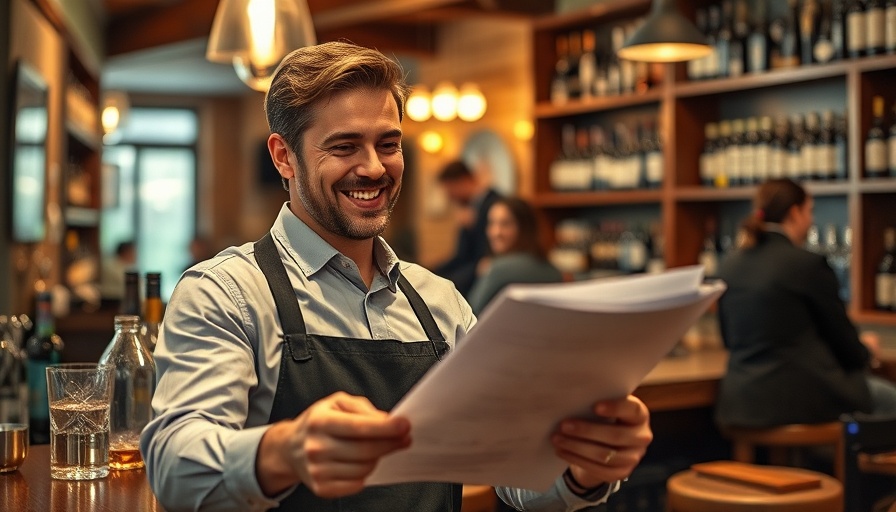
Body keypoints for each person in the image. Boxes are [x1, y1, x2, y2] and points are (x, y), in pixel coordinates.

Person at [141, 41, 652, 512]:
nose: (373, 168)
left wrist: (582, 469)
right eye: (343, 147)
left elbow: (513, 474)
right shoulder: (225, 294)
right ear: (284, 156)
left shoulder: (442, 304)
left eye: (388, 143)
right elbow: (173, 466)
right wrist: (284, 451)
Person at [715, 178, 896, 430]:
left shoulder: (729, 265)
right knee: (890, 400)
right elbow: (845, 344)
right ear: (795, 212)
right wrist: (866, 351)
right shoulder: (807, 264)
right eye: (810, 212)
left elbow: (727, 338)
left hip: (741, 402)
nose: (811, 222)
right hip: (801, 399)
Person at [468, 197, 564, 314]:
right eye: (492, 223)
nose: (496, 232)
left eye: (506, 224)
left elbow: (469, 317)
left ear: (525, 228)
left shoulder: (498, 269)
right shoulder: (552, 270)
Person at [433, 160, 501, 297]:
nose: (450, 197)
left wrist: (444, 283)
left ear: (463, 181)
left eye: (450, 190)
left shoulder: (494, 205)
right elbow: (460, 256)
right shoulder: (471, 208)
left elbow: (483, 258)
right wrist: (429, 273)